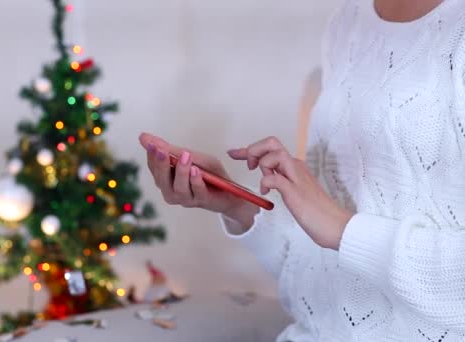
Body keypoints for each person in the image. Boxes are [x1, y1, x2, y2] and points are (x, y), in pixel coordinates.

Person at [139, 0, 465, 340]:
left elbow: (337, 230)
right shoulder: (349, 19)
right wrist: (238, 205)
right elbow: (319, 262)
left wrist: (344, 230)